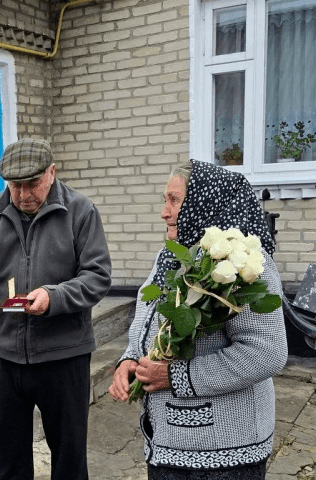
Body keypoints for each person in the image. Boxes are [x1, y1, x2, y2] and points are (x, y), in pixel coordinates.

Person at [0, 138, 112, 480]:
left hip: (64, 357)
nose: (22, 195)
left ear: (52, 173)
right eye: (14, 186)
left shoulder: (80, 211)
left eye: (32, 183)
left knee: (69, 459)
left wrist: (54, 297)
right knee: (9, 459)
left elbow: (97, 276)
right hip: (5, 358)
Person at [108, 160, 287, 480]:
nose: (164, 211)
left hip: (226, 455)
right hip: (166, 446)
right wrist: (131, 358)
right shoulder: (171, 255)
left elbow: (266, 351)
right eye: (165, 200)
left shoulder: (244, 264)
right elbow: (146, 311)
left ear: (206, 201)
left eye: (174, 200)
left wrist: (175, 376)